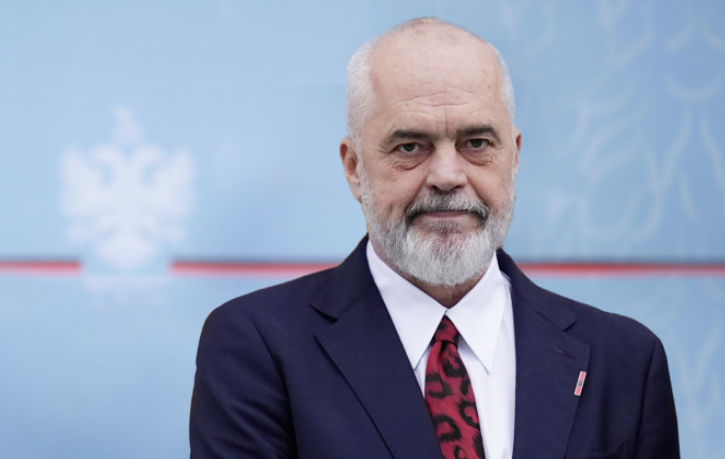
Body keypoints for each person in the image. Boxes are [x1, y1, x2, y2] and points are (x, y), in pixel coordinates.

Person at [190, 18, 679, 459]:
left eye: (476, 143)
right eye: (410, 146)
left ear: (514, 157)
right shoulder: (258, 348)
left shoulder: (625, 360)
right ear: (355, 167)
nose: (447, 176)